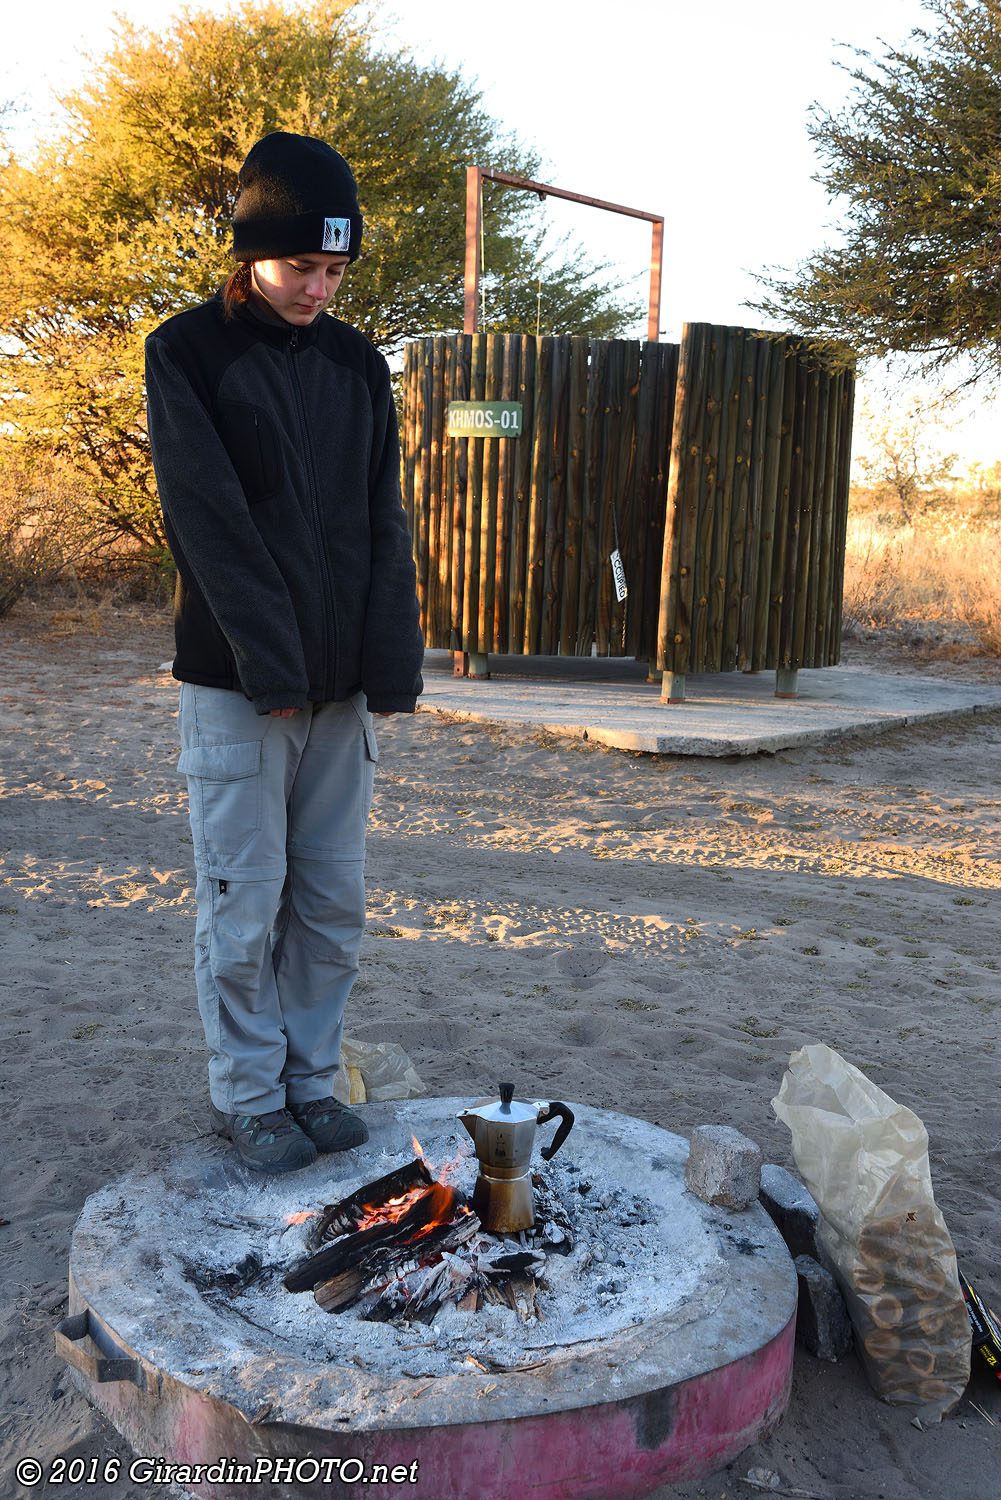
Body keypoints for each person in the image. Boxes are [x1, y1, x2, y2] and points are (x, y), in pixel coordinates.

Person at [145, 132, 423, 1174]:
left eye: (335, 270)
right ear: (251, 253)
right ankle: (250, 1095)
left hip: (342, 689)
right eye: (301, 266)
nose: (317, 287)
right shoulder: (186, 353)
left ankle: (314, 1080)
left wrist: (388, 663)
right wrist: (268, 669)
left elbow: (379, 521)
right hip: (237, 687)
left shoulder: (357, 364)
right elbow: (208, 521)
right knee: (243, 899)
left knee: (332, 902)